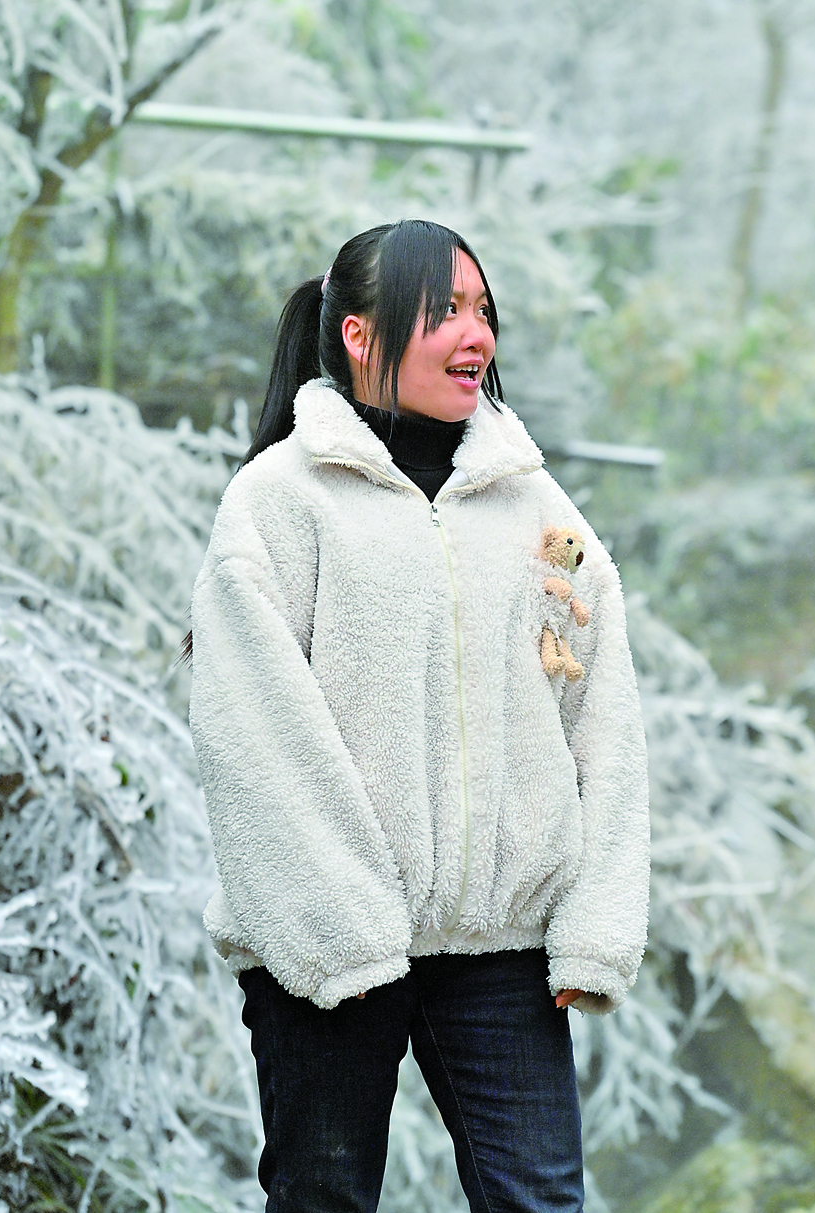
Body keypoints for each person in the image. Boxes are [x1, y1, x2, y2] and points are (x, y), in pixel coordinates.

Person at [189, 218, 650, 1213]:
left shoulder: (537, 509)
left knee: (542, 1201)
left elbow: (602, 715)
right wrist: (340, 933)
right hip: (329, 946)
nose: (476, 333)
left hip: (502, 947)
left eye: (483, 309)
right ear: (360, 335)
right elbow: (253, 737)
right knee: (323, 1199)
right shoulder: (281, 503)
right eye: (444, 310)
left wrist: (595, 925)